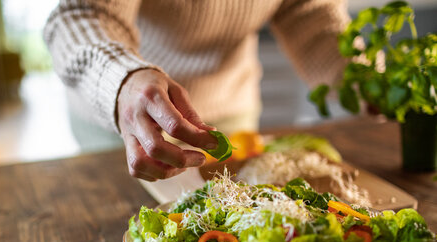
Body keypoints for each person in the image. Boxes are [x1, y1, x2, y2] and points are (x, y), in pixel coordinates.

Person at [44, 0, 350, 181]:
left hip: (230, 112)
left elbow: (310, 10)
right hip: (122, 111)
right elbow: (79, 15)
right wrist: (122, 79)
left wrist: (358, 75)